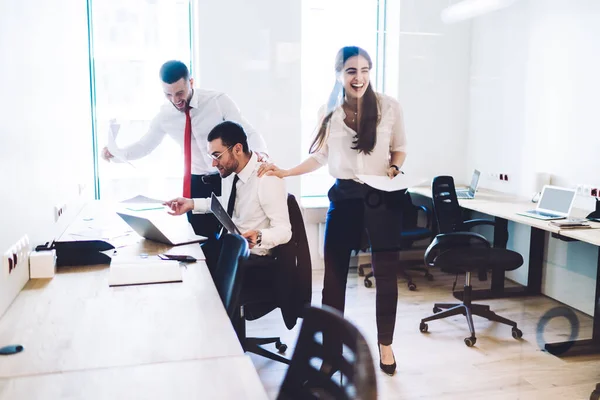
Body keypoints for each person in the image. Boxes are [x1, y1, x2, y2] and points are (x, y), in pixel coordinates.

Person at [258, 46, 407, 376]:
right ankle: (330, 351)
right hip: (344, 197)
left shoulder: (389, 107)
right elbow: (321, 156)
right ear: (339, 73)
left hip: (382, 197)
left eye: (365, 70)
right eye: (352, 71)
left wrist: (394, 170)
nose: (359, 77)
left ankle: (386, 345)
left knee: (385, 277)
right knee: (334, 279)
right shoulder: (329, 111)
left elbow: (399, 148)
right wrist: (285, 172)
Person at [101, 60, 269, 267]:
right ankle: (205, 288)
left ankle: (228, 287)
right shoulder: (165, 115)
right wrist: (116, 155)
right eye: (168, 94)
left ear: (191, 82)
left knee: (230, 237)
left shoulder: (217, 101)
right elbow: (145, 145)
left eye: (179, 93)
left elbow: (247, 131)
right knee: (200, 240)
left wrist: (260, 153)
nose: (175, 100)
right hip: (196, 182)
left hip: (226, 178)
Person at [164, 121, 292, 273]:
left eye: (217, 156)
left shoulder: (266, 178)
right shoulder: (230, 172)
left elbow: (284, 231)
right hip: (228, 246)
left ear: (238, 149)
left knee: (192, 270)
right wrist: (191, 204)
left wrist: (259, 237)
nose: (213, 163)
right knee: (182, 257)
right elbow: (226, 203)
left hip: (251, 258)